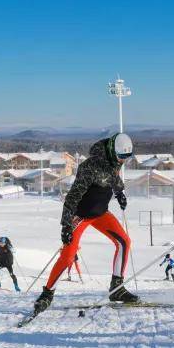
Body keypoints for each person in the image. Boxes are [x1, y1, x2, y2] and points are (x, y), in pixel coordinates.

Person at [32, 134, 139, 315]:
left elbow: (112, 176)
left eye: (126, 158)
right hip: (80, 215)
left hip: (101, 213)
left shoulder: (115, 159)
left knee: (124, 242)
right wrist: (66, 225)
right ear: (113, 151)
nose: (123, 161)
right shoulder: (89, 167)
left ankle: (116, 288)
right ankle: (46, 295)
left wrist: (119, 191)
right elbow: (72, 196)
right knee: (68, 256)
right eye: (121, 157)